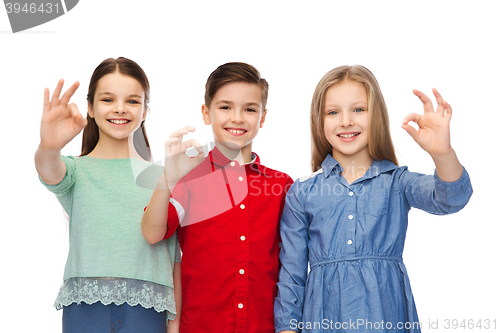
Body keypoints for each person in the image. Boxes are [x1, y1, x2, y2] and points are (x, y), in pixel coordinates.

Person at [274, 65, 473, 333]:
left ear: (376, 115)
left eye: (358, 109)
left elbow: (451, 198)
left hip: (385, 316)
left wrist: (442, 153)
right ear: (318, 121)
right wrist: (287, 329)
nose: (346, 121)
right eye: (333, 112)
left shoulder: (397, 182)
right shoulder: (303, 192)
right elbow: (291, 276)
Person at [142, 62, 293, 333]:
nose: (237, 117)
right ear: (206, 113)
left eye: (249, 109)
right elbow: (153, 233)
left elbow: (291, 262)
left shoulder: (281, 185)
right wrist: (167, 178)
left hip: (263, 326)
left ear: (263, 117)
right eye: (225, 107)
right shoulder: (188, 178)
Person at [35, 57, 179, 333]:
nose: (120, 109)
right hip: (85, 312)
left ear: (146, 110)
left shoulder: (163, 177)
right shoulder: (76, 171)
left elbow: (174, 259)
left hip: (148, 312)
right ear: (90, 107)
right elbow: (49, 169)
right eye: (108, 99)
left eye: (133, 101)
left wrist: (175, 326)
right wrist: (48, 147)